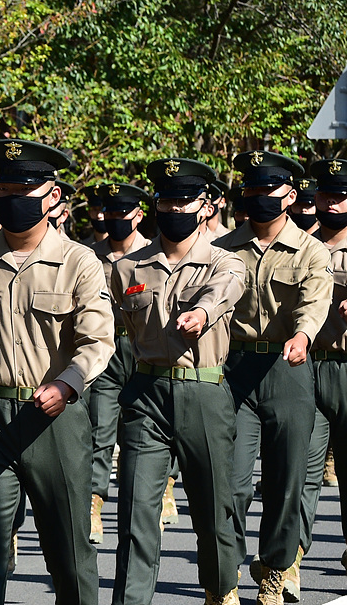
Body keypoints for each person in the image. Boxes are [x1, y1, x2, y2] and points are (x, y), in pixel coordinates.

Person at [0, 138, 113, 605]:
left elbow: (97, 341)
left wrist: (67, 383)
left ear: (52, 196)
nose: (11, 201)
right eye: (4, 191)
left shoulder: (79, 262)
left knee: (68, 552)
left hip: (53, 418)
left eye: (24, 190)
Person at [110, 158, 245, 605]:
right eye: (166, 200)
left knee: (212, 509)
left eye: (184, 201)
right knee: (134, 511)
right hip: (146, 393)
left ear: (204, 206)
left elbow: (223, 291)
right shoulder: (128, 269)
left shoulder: (225, 261)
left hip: (203, 391)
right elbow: (119, 331)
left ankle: (220, 589)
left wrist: (202, 314)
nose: (174, 209)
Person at [213, 150, 332, 605]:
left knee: (286, 482)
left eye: (270, 190)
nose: (261, 197)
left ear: (290, 194)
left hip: (289, 367)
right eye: (253, 190)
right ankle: (224, 578)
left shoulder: (311, 249)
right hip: (233, 371)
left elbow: (314, 302)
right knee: (232, 482)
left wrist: (302, 336)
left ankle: (276, 571)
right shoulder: (222, 249)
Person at [290, 158, 347, 602]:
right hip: (305, 369)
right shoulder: (300, 247)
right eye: (325, 196)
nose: (330, 204)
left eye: (339, 196)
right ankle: (289, 562)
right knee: (300, 471)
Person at [87, 183, 151, 544]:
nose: (114, 221)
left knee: (141, 433)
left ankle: (150, 498)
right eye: (109, 214)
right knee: (99, 428)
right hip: (105, 356)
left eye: (122, 215)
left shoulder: (152, 254)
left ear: (138, 216)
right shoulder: (89, 256)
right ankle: (94, 503)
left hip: (141, 352)